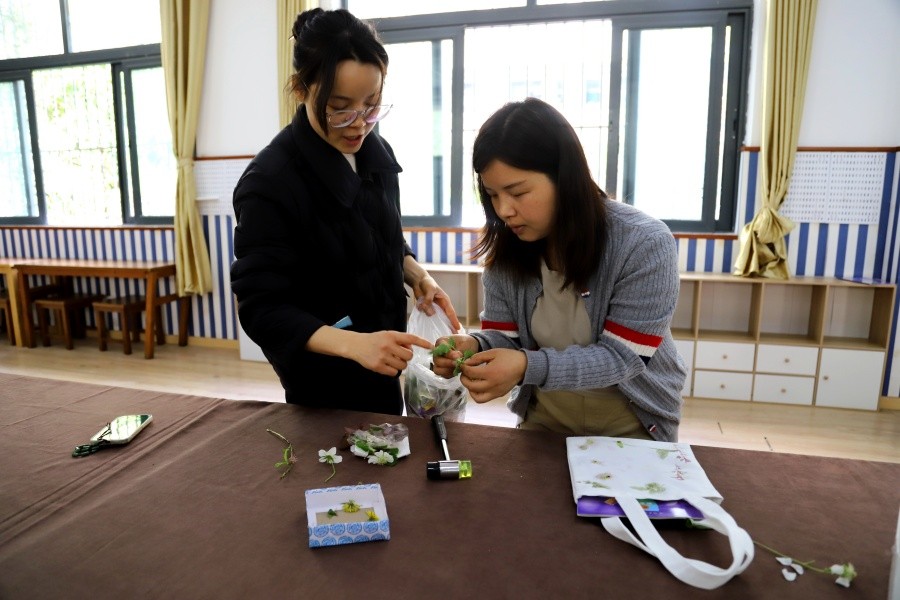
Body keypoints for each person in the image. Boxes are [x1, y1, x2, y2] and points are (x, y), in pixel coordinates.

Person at [231, 8, 459, 414]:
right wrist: (355, 345)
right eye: (340, 108)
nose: (359, 124)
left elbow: (384, 240)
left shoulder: (376, 152)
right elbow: (262, 309)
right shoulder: (270, 181)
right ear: (301, 90)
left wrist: (417, 276)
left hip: (385, 361)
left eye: (372, 105)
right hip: (323, 379)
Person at [432, 98, 685, 441]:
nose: (504, 210)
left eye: (518, 192)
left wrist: (525, 365)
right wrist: (474, 345)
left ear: (565, 179)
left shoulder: (644, 243)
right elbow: (506, 339)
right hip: (544, 426)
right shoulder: (507, 252)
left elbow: (623, 358)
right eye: (492, 194)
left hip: (633, 429)